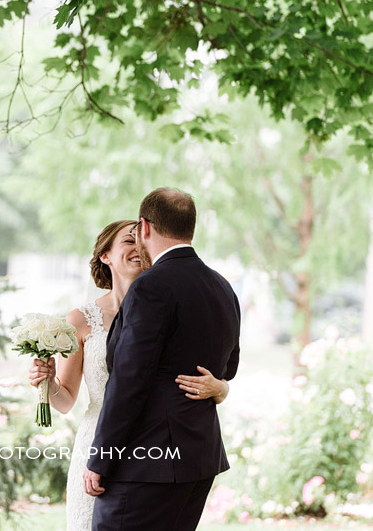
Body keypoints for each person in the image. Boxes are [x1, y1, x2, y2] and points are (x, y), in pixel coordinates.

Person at [28, 218, 231, 531]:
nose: (138, 247)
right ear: (105, 256)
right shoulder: (81, 320)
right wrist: (48, 383)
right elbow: (66, 400)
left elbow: (202, 365)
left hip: (153, 450)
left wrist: (220, 388)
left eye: (141, 240)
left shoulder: (168, 303)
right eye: (127, 240)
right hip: (98, 442)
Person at [82, 188, 241, 531]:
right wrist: (218, 386)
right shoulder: (222, 286)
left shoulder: (150, 286)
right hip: (198, 459)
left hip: (147, 461)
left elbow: (129, 380)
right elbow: (228, 369)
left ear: (144, 227)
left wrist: (101, 457)